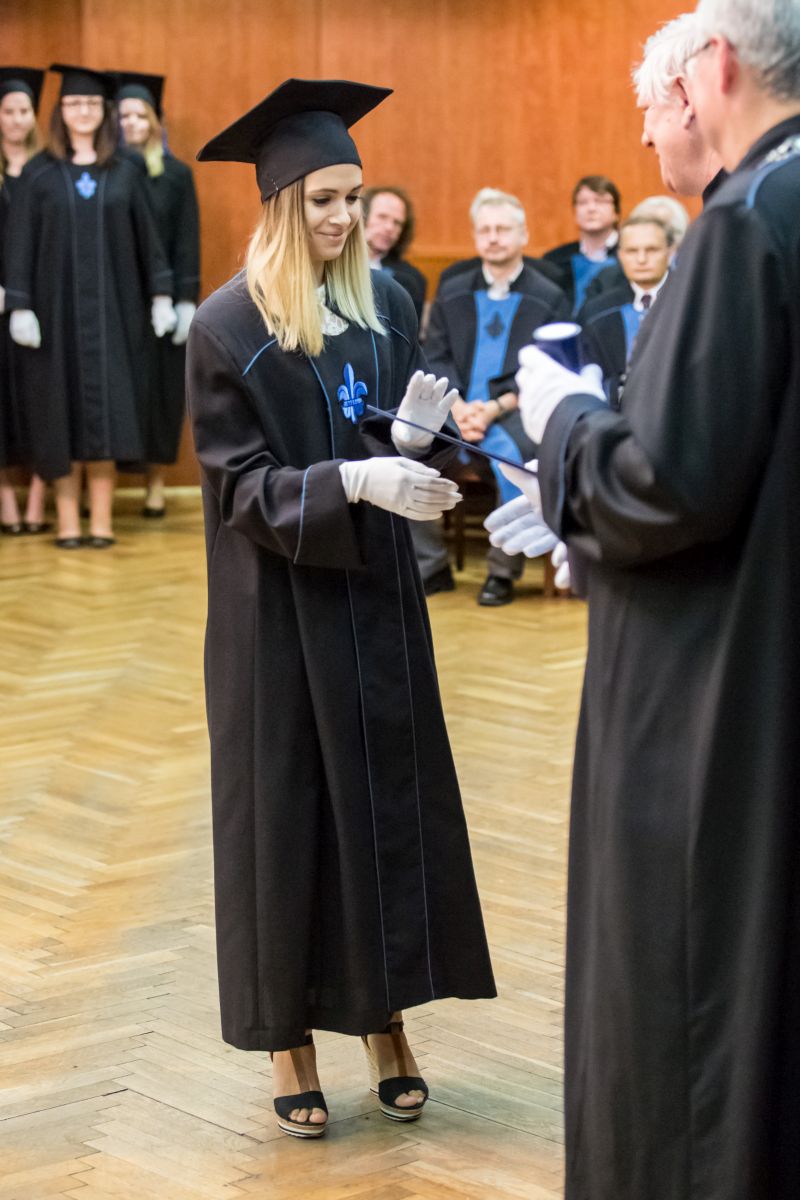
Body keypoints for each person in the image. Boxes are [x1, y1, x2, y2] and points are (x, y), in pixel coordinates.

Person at [493, 0, 800, 1193]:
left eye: (650, 106)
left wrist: (563, 418)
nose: (644, 133)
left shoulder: (747, 221)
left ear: (711, 70)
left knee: (687, 1004)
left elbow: (661, 484)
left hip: (712, 693)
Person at [187, 77, 495, 1140]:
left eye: (353, 198)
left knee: (377, 813)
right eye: (322, 200)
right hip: (277, 614)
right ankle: (289, 1040)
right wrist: (355, 480)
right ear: (281, 205)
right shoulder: (227, 326)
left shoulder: (385, 307)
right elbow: (240, 488)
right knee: (287, 824)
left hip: (372, 602)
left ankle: (386, 1023)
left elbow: (382, 435)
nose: (343, 218)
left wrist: (409, 444)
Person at [5, 63, 175, 548]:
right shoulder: (39, 173)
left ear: (105, 112)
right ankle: (67, 522)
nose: (83, 111)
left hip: (115, 317)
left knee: (110, 414)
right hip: (53, 318)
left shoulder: (126, 172)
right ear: (60, 111)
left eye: (91, 104)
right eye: (74, 103)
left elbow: (149, 242)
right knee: (59, 417)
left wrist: (162, 295)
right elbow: (19, 244)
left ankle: (101, 522)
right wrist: (20, 304)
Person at [417, 187, 569, 603]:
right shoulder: (453, 289)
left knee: (515, 462)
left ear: (523, 235)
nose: (494, 237)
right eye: (485, 230)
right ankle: (430, 565)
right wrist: (459, 406)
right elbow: (435, 355)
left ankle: (501, 572)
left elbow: (549, 366)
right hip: (454, 406)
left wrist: (494, 408)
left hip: (515, 410)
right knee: (409, 450)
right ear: (475, 237)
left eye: (503, 229)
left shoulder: (548, 296)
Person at [116, 71, 201, 518]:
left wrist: (184, 299)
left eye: (139, 115)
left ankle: (154, 483)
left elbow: (186, 239)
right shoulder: (105, 173)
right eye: (123, 115)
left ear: (154, 121)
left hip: (161, 304)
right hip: (117, 299)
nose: (131, 123)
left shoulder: (174, 175)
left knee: (156, 395)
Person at [0, 66, 49, 536]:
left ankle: (37, 500)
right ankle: (6, 503)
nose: (17, 119)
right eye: (8, 111)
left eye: (24, 111)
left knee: (41, 402)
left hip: (40, 304)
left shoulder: (46, 170)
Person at [580, 214, 672, 405]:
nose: (641, 259)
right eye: (632, 251)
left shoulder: (695, 303)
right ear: (620, 255)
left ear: (669, 252)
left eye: (652, 250)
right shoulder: (597, 313)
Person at [542, 175, 622, 313]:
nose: (591, 208)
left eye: (600, 201)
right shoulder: (554, 260)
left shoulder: (634, 255)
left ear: (616, 212)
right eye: (583, 202)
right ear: (575, 212)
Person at [362, 186, 426, 321]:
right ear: (362, 216)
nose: (389, 227)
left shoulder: (411, 279)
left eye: (397, 223)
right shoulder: (332, 264)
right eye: (382, 217)